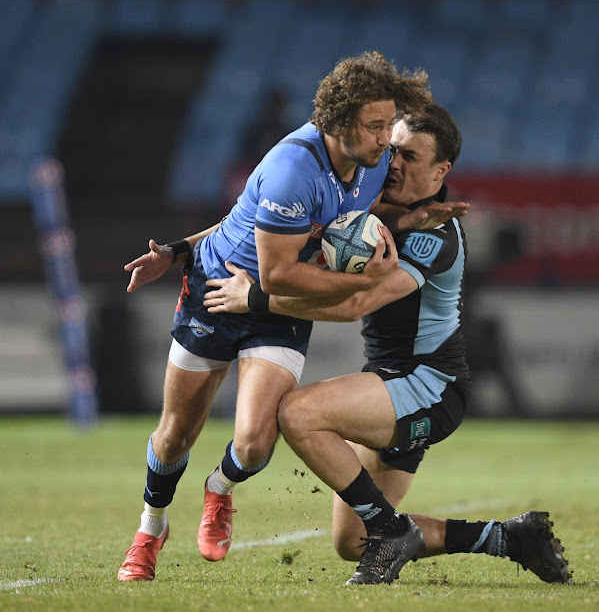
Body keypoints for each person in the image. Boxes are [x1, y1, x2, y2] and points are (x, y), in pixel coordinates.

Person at [205, 104, 572, 586]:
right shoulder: (377, 208)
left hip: (429, 385)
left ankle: (392, 530)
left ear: (441, 171)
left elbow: (357, 304)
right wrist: (182, 250)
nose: (394, 162)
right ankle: (510, 538)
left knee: (298, 413)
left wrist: (255, 298)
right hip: (390, 379)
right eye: (393, 150)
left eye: (411, 157)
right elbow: (259, 219)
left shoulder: (435, 235)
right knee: (351, 543)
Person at [117, 51, 446, 582]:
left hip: (274, 311)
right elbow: (277, 275)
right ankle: (151, 528)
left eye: (390, 124)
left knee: (253, 445)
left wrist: (412, 215)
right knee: (176, 434)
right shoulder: (294, 166)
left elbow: (251, 217)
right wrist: (365, 279)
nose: (387, 139)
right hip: (220, 289)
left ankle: (218, 490)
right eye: (376, 126)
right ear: (340, 123)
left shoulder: (372, 161)